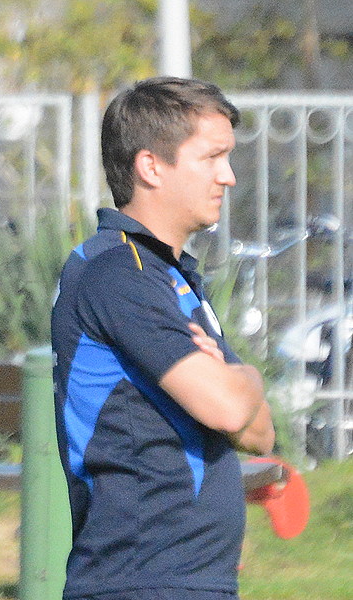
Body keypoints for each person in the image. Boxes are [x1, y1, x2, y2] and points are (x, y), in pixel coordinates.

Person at [50, 76, 275, 600]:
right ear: (151, 167)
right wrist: (247, 375)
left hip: (191, 581)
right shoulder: (117, 274)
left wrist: (234, 387)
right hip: (140, 580)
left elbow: (260, 434)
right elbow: (229, 409)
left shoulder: (172, 278)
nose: (228, 176)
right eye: (212, 157)